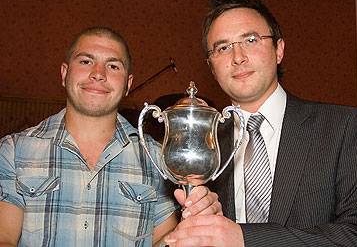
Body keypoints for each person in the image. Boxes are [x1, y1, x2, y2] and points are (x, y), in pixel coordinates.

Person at [165, 0, 357, 246]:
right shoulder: (203, 144)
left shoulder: (343, 127)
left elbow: (355, 232)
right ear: (212, 68)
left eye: (251, 40)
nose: (238, 57)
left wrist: (245, 238)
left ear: (278, 49)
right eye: (223, 48)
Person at [0, 26, 221, 247]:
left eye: (113, 66)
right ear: (64, 73)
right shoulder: (14, 150)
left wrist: (192, 227)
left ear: (128, 84)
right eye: (86, 61)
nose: (98, 73)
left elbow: (166, 239)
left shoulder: (156, 156)